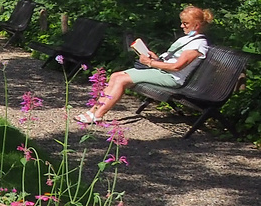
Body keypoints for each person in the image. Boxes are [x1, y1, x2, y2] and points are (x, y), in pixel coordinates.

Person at [77, 6, 213, 123]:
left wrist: (150, 62)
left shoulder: (198, 44)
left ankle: (98, 115)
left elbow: (177, 67)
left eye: (185, 23)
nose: (182, 26)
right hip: (164, 72)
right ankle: (93, 111)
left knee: (121, 79)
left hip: (172, 77)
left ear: (197, 25)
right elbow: (171, 60)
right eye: (182, 22)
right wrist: (155, 58)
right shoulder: (188, 38)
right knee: (115, 76)